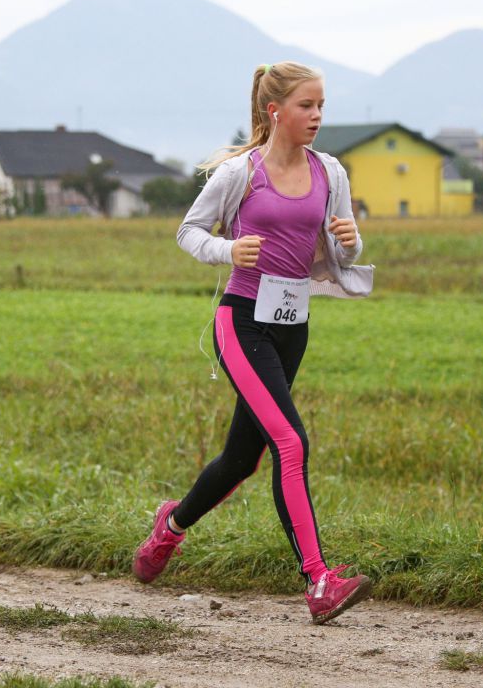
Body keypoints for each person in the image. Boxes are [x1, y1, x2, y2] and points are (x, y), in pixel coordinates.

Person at [133, 61, 375, 625]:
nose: (316, 116)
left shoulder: (330, 172)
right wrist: (227, 250)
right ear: (275, 112)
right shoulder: (240, 173)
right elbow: (189, 231)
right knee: (290, 443)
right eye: (306, 106)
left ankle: (169, 527)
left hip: (294, 324)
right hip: (241, 322)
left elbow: (340, 257)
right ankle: (319, 581)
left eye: (321, 106)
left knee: (242, 459)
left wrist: (351, 239)